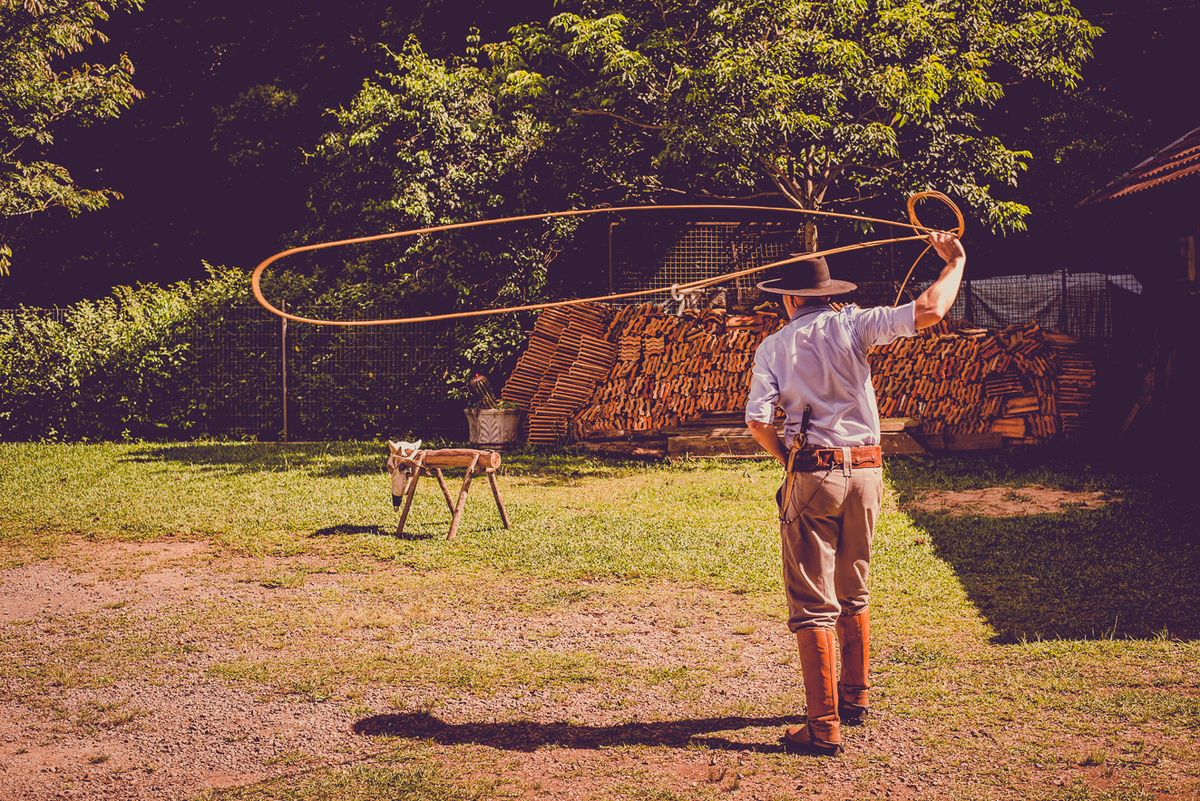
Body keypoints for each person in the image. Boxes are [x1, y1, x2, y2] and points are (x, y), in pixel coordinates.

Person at [745, 231, 966, 755]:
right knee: (854, 586)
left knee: (811, 601)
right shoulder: (856, 322)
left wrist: (787, 459)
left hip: (812, 474)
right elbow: (931, 310)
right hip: (867, 470)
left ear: (789, 298)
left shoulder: (774, 346)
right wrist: (955, 259)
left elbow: (757, 421)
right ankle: (856, 697)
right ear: (827, 293)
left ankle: (823, 727)